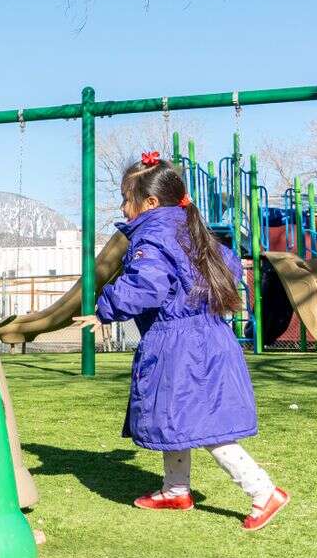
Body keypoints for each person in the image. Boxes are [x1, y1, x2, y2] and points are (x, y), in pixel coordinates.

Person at [77, 151, 288, 531]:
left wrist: (106, 308)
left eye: (126, 198)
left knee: (205, 424)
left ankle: (262, 490)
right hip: (207, 335)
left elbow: (147, 285)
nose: (122, 207)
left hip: (181, 344)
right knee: (175, 415)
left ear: (150, 203)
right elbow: (228, 265)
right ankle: (175, 489)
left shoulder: (153, 238)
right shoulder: (192, 231)